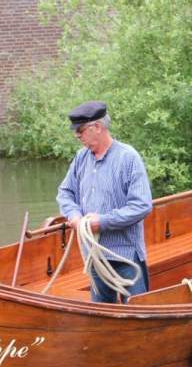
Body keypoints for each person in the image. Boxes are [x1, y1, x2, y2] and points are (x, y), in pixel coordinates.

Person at [56, 100, 153, 303]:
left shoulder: (128, 158)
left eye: (80, 130)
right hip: (94, 255)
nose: (77, 136)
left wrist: (101, 222)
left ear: (97, 127)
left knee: (138, 311)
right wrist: (74, 217)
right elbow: (65, 192)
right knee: (101, 313)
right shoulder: (81, 158)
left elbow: (142, 205)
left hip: (125, 255)